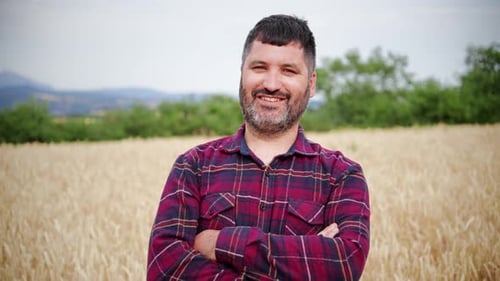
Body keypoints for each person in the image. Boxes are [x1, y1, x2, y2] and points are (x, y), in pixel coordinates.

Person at [147, 14, 370, 281]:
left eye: (288, 71)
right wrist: (303, 261)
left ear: (311, 84)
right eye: (259, 67)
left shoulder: (341, 176)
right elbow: (165, 269)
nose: (272, 84)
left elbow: (344, 265)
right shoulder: (193, 166)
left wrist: (218, 243)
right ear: (242, 74)